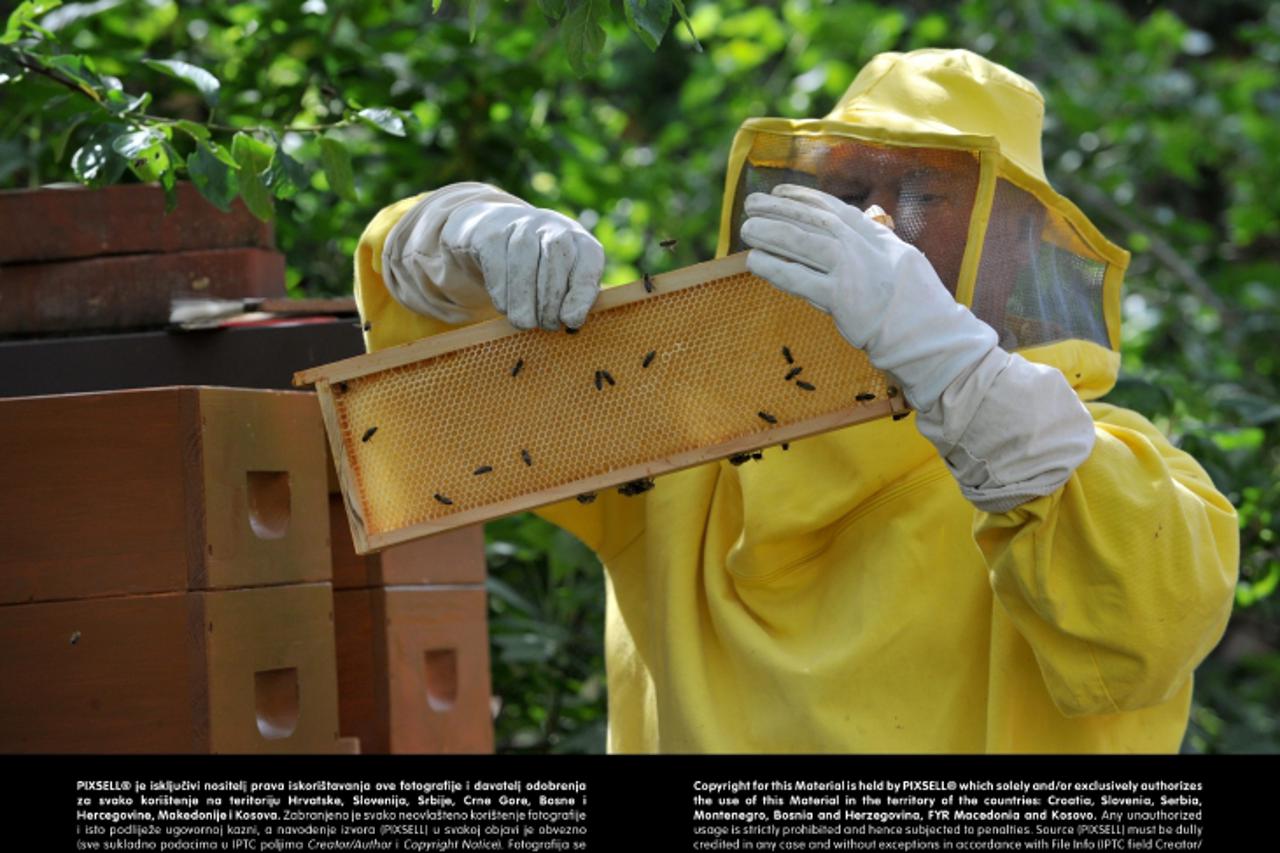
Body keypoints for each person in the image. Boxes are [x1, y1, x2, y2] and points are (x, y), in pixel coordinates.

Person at [353, 49, 1238, 752]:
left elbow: (1140, 631)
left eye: (926, 194)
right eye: (851, 192)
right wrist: (438, 244)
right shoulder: (684, 435)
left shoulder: (1095, 470)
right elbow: (427, 430)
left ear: (1014, 246)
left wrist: (956, 370)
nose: (877, 224)